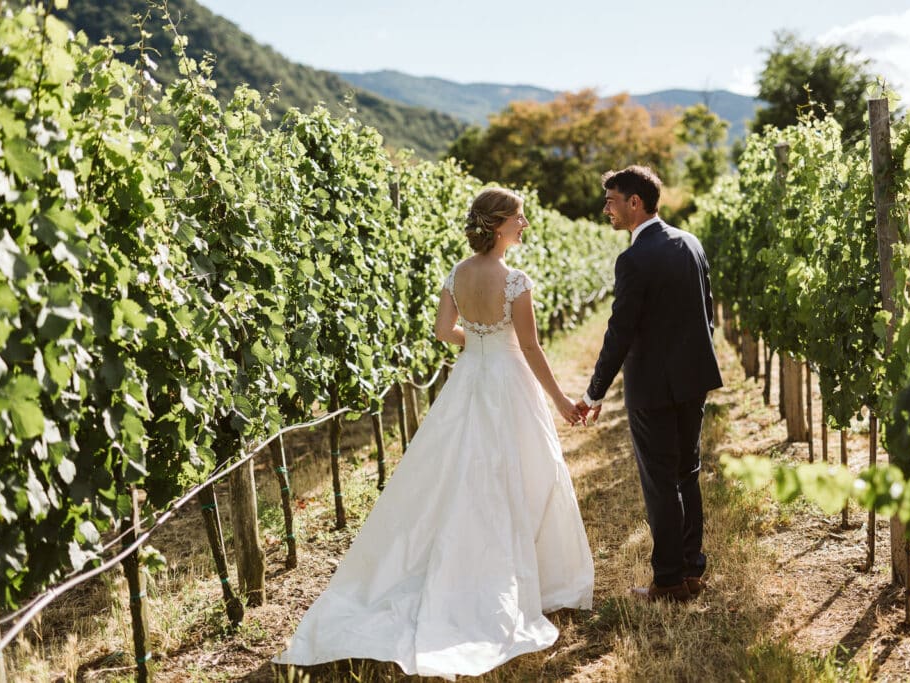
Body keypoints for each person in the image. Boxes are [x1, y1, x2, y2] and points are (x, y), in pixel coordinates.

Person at [273, 187, 593, 679]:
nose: (525, 226)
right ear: (500, 223)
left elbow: (445, 332)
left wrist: (482, 338)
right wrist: (561, 401)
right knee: (524, 475)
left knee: (457, 475)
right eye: (520, 219)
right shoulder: (516, 281)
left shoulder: (457, 275)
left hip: (470, 379)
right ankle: (526, 580)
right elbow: (531, 348)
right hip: (509, 384)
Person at [576, 165, 722, 603]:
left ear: (635, 203)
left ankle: (668, 580)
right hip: (692, 380)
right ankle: (692, 570)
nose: (606, 209)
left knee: (660, 482)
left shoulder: (634, 258)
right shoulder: (691, 243)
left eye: (611, 200)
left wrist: (593, 392)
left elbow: (620, 331)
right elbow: (707, 312)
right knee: (686, 474)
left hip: (654, 388)